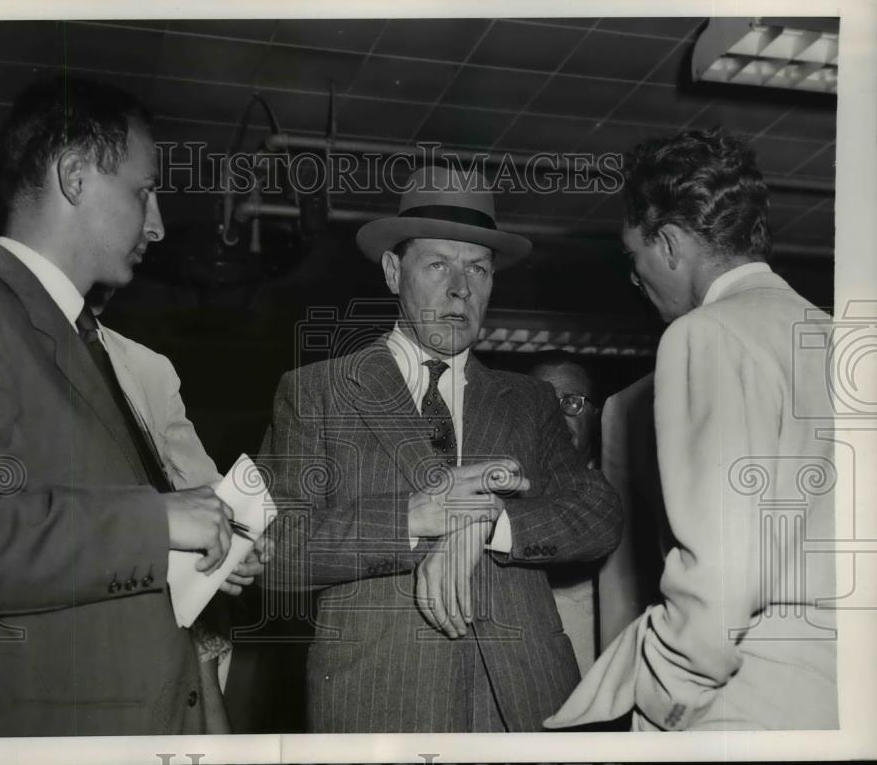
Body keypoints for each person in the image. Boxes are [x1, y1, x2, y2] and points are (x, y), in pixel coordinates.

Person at [258, 165, 622, 733]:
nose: (461, 288)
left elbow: (598, 515)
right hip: (380, 702)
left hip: (524, 704)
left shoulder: (529, 400)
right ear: (391, 271)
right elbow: (274, 550)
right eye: (438, 265)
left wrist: (489, 520)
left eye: (478, 268)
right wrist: (415, 517)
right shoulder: (317, 391)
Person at [0, 76, 239, 736]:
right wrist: (157, 522)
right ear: (76, 177)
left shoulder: (69, 331)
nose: (159, 224)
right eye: (143, 192)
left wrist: (188, 548)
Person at [546, 128, 837, 731]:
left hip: (747, 697)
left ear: (671, 245)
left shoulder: (706, 334)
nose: (638, 280)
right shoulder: (844, 338)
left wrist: (664, 701)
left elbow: (721, 575)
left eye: (636, 259)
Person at [83, 285, 273, 733]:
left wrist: (237, 544)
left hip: (170, 621)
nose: (152, 229)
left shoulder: (149, 368)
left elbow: (204, 490)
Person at [531, 354, 602, 674]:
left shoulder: (631, 497)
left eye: (571, 402)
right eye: (542, 403)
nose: (557, 417)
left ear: (597, 416)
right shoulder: (498, 495)